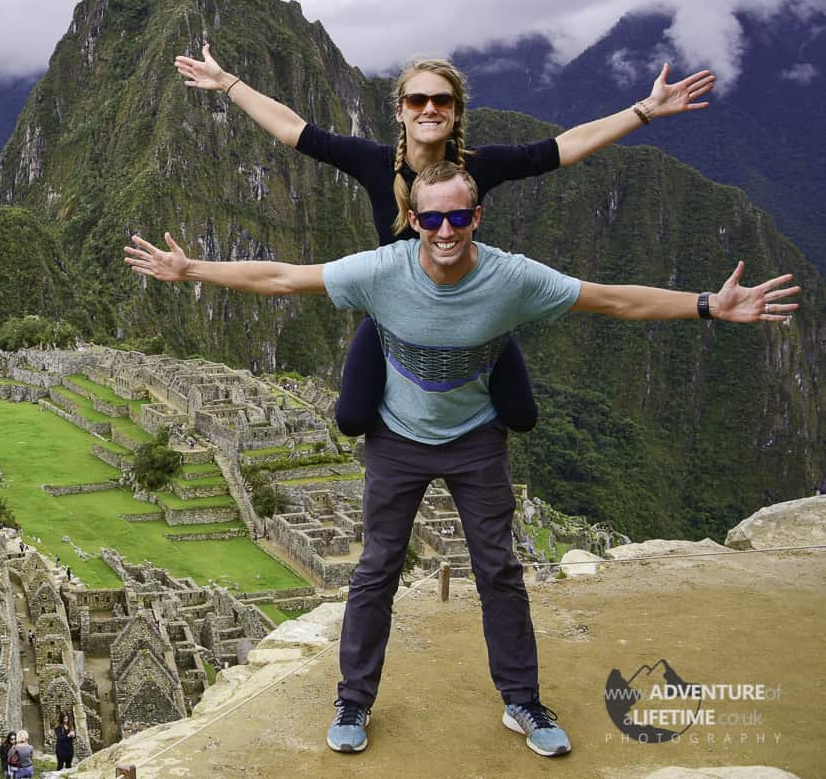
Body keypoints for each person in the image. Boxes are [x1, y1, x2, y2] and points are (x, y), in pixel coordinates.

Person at [125, 161, 797, 759]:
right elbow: (280, 278)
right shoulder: (381, 273)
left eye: (457, 216)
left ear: (475, 216)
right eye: (431, 218)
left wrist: (709, 306)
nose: (445, 231)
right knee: (375, 569)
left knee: (498, 570)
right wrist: (192, 269)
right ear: (412, 219)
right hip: (396, 438)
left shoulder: (510, 278)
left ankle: (521, 700)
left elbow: (611, 298)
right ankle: (353, 699)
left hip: (476, 438)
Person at [176, 46, 716, 436]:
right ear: (401, 110)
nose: (429, 109)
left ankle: (473, 393)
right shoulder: (371, 161)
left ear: (455, 111)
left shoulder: (476, 168)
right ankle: (408, 432)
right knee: (352, 419)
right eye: (417, 100)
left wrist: (644, 111)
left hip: (474, 307)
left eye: (441, 100)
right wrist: (228, 84)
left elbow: (563, 148)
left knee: (522, 418)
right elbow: (294, 130)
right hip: (393, 308)